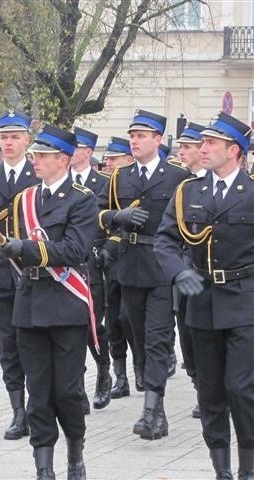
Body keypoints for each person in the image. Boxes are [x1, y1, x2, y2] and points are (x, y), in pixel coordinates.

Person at [154, 112, 253, 480]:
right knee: (210, 392)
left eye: (211, 143)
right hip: (203, 303)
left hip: (246, 300)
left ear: (235, 150)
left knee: (241, 388)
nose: (202, 148)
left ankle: (248, 468)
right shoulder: (189, 192)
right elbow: (165, 240)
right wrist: (178, 271)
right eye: (203, 143)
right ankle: (222, 469)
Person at [0, 124, 98, 480]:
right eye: (35, 155)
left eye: (41, 155)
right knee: (38, 393)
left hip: (65, 304)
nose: (35, 160)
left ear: (63, 159)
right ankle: (44, 468)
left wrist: (25, 249)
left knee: (68, 392)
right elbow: (14, 257)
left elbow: (74, 249)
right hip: (29, 306)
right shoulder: (25, 199)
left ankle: (75, 454)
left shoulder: (82, 199)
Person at [98, 109, 190, 441]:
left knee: (157, 339)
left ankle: (153, 410)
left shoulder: (177, 177)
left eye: (141, 136)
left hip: (162, 266)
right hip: (130, 264)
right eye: (132, 136)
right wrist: (116, 216)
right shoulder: (120, 178)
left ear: (157, 140)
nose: (134, 141)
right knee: (135, 332)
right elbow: (99, 215)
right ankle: (155, 403)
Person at [0, 110, 39, 440]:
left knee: (35, 340)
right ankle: (18, 410)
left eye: (14, 137)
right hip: (2, 274)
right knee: (8, 342)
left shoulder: (39, 173)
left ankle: (39, 405)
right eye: (3, 137)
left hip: (34, 269)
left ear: (27, 139)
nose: (8, 143)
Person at [71, 126, 112, 412]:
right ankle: (77, 388)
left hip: (94, 265)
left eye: (76, 148)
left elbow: (113, 220)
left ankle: (103, 370)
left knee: (93, 327)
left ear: (88, 152)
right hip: (67, 265)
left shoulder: (105, 182)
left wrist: (107, 250)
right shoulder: (61, 183)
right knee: (72, 329)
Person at [172, 121, 207, 419]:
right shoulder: (183, 185)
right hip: (186, 272)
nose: (181, 152)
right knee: (186, 330)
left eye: (188, 147)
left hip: (219, 274)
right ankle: (199, 384)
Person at [98, 137, 137, 400]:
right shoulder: (108, 183)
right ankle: (120, 376)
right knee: (113, 320)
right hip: (107, 261)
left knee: (130, 318)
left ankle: (142, 369)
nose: (108, 162)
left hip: (136, 259)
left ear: (128, 159)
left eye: (114, 158)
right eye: (107, 158)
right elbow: (100, 216)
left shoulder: (136, 181)